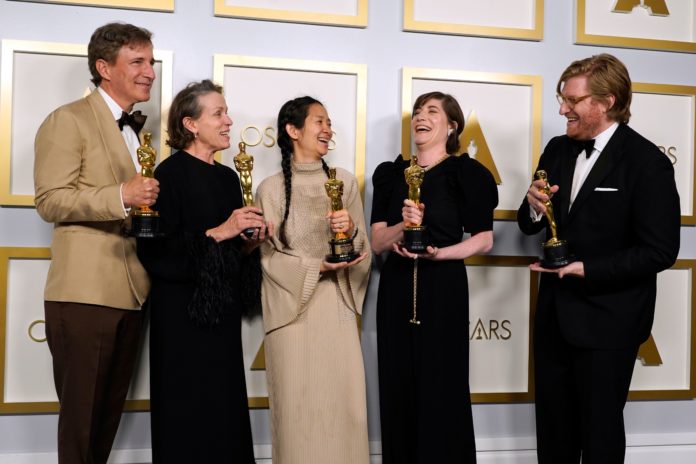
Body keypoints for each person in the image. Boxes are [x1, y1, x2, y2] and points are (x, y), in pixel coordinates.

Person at [517, 53, 680, 463]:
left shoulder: (648, 163)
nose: (561, 109)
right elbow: (529, 224)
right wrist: (534, 206)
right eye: (562, 98)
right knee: (553, 433)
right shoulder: (556, 149)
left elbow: (661, 250)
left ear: (606, 102)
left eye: (572, 100)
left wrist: (585, 269)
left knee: (600, 434)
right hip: (555, 316)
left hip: (610, 321)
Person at [33, 22, 158, 464]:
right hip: (83, 293)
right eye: (137, 62)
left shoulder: (136, 131)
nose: (150, 71)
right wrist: (121, 196)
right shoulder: (66, 120)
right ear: (104, 68)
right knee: (82, 427)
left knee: (105, 423)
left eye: (151, 60)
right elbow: (50, 201)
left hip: (132, 293)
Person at [136, 80, 268, 463]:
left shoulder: (228, 177)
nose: (229, 121)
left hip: (221, 314)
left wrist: (250, 243)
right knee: (185, 410)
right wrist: (223, 231)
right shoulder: (168, 174)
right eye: (218, 113)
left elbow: (230, 252)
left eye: (226, 112)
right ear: (190, 124)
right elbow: (156, 252)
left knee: (223, 406)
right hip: (181, 316)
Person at [370, 91, 498, 463]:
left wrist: (439, 253)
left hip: (443, 290)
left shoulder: (468, 173)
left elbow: (484, 240)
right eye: (417, 111)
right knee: (397, 386)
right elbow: (378, 239)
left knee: (443, 387)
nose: (421, 117)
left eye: (432, 111)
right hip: (395, 291)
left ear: (452, 125)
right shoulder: (391, 174)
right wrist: (403, 226)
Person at [256, 96, 371, 463]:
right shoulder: (270, 189)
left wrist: (350, 231)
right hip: (292, 319)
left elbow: (362, 249)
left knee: (346, 413)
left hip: (336, 314)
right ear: (293, 131)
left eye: (329, 122)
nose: (328, 129)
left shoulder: (346, 182)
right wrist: (316, 267)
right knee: (297, 417)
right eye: (319, 122)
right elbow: (269, 257)